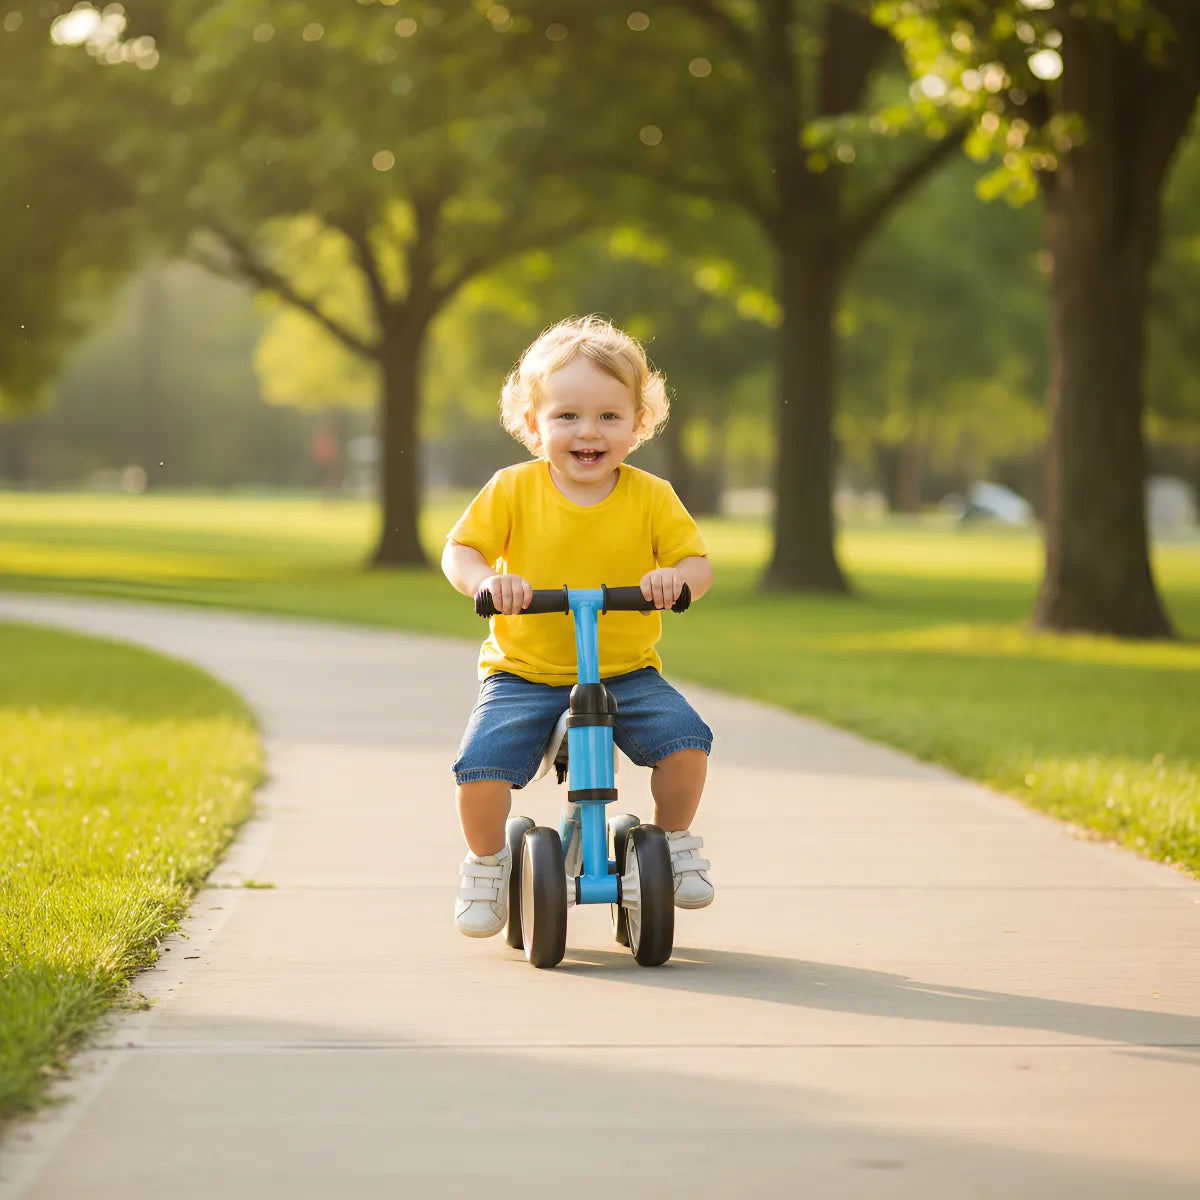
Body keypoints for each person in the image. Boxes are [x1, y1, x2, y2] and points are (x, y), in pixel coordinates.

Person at [442, 315, 715, 938]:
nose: (587, 432)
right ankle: (486, 864)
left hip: (627, 671)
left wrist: (674, 581)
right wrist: (487, 581)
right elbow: (460, 551)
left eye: (608, 417)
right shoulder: (511, 489)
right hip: (525, 673)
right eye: (566, 416)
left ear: (637, 424)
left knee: (687, 741)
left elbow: (696, 564)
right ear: (532, 424)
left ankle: (673, 844)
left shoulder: (652, 496)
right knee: (479, 767)